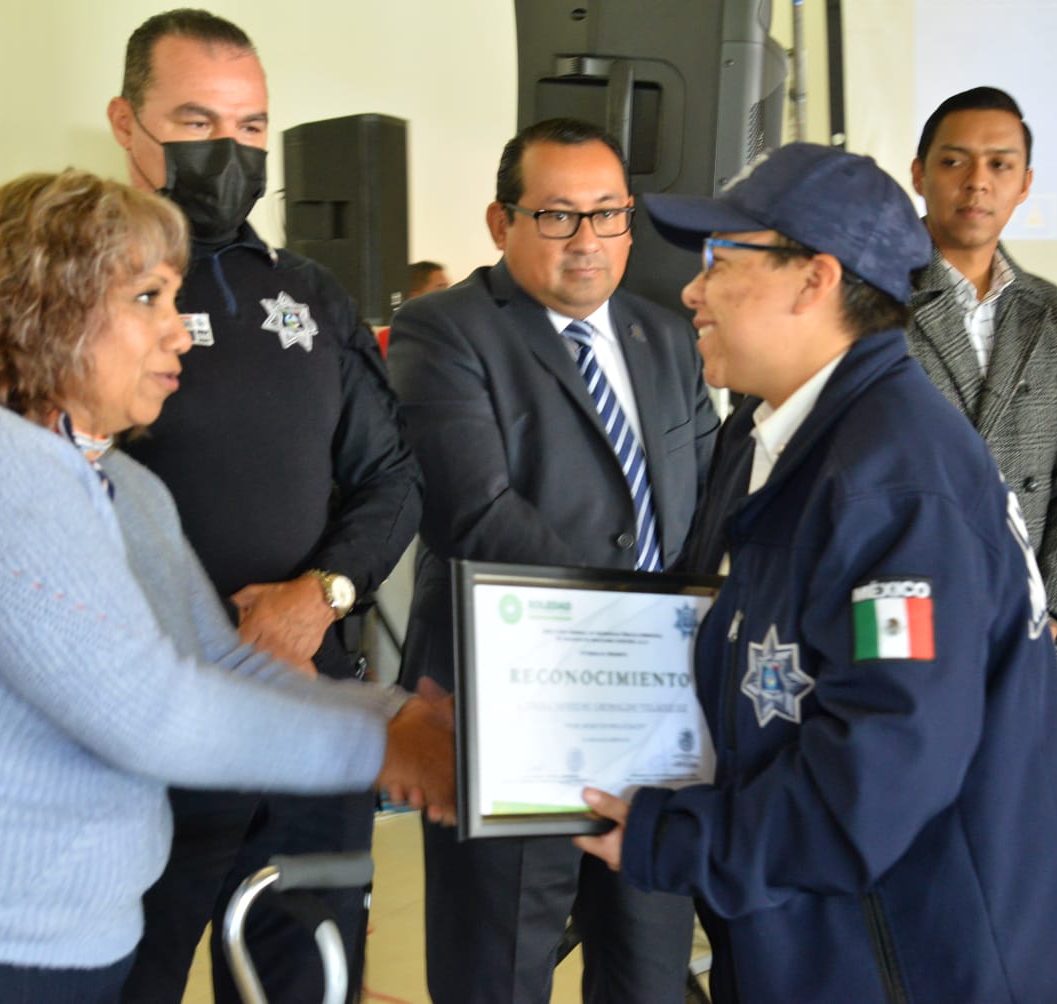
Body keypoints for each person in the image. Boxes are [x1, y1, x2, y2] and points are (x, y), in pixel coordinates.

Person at [0, 169, 451, 1004]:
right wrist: (389, 748)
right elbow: (150, 712)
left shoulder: (121, 487)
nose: (179, 334)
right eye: (148, 299)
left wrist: (396, 716)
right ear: (44, 305)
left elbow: (222, 661)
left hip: (56, 942)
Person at [575, 142, 1057, 1002]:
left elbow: (878, 777)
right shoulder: (771, 439)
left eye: (719, 259)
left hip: (923, 961)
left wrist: (676, 839)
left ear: (813, 279)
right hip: (826, 941)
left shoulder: (896, 482)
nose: (691, 289)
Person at [103, 11, 423, 1004]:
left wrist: (315, 598)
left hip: (305, 720)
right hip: (147, 728)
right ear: (128, 123)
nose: (229, 152)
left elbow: (392, 478)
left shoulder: (311, 293)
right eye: (198, 121)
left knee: (309, 979)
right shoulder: (86, 288)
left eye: (250, 129)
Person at [387, 117, 719, 1003]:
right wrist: (635, 629)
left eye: (608, 215)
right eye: (558, 216)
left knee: (648, 966)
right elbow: (477, 513)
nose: (589, 241)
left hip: (656, 718)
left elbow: (711, 500)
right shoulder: (443, 330)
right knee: (499, 965)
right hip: (508, 705)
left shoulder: (671, 337)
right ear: (502, 224)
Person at [906, 86, 1057, 714]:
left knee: (1015, 806)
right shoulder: (867, 300)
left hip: (1025, 632)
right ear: (918, 174)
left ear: (1025, 184)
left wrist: (1053, 612)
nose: (977, 183)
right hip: (905, 624)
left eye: (1000, 164)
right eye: (954, 161)